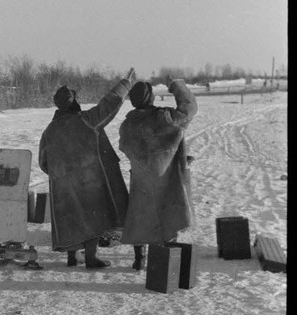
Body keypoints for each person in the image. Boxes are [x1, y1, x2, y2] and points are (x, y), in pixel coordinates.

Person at [38, 67, 137, 269]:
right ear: (74, 102)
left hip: (63, 184)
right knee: (92, 217)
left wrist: (61, 175)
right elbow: (109, 105)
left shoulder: (50, 130)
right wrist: (125, 84)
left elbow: (43, 162)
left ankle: (72, 257)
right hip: (88, 181)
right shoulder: (86, 120)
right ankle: (91, 257)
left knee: (71, 217)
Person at [118, 74, 198, 270]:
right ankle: (164, 257)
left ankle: (139, 258)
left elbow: (125, 147)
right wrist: (176, 84)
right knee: (168, 213)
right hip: (166, 177)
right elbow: (189, 108)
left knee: (139, 214)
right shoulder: (165, 117)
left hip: (141, 177)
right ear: (150, 98)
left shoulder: (127, 124)